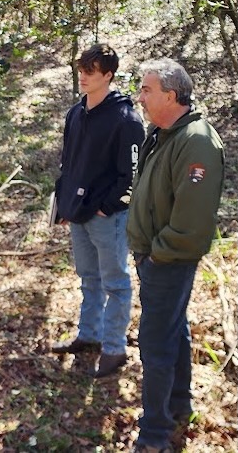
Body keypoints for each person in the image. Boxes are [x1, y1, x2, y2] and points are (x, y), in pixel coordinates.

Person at [127, 59, 224, 452]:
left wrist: (158, 256)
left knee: (155, 342)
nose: (140, 97)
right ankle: (179, 406)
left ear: (170, 95)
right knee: (172, 332)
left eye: (147, 90)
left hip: (168, 259)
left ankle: (154, 435)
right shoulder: (163, 133)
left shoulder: (196, 140)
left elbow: (192, 221)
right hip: (155, 256)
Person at [50, 44, 145, 378]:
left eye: (91, 71)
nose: (83, 76)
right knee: (88, 278)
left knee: (115, 283)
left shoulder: (126, 118)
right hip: (77, 213)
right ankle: (89, 336)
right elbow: (69, 162)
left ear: (108, 75)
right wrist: (64, 204)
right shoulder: (76, 113)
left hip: (108, 218)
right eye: (81, 69)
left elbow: (132, 174)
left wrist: (108, 207)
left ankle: (115, 348)